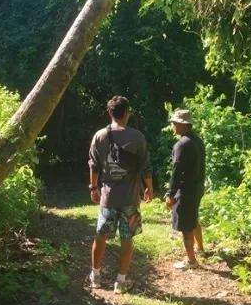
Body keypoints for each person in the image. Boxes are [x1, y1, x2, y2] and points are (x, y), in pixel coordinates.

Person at [87, 96, 154, 293]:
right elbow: (145, 167)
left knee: (101, 236)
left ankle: (95, 277)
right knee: (127, 238)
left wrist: (93, 188)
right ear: (127, 113)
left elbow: (93, 165)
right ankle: (121, 282)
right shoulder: (137, 137)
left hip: (108, 198)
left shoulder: (99, 136)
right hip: (130, 199)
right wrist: (149, 188)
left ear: (110, 112)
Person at [165, 109, 206, 270]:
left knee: (185, 225)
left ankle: (191, 260)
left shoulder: (182, 144)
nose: (173, 126)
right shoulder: (197, 140)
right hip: (197, 187)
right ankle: (200, 249)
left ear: (183, 125)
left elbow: (176, 171)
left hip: (186, 190)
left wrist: (170, 194)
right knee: (193, 217)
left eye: (175, 123)